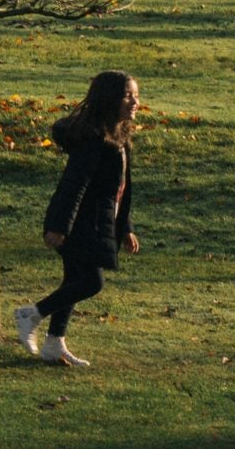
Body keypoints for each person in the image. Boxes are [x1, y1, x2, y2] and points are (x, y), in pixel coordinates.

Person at [13, 69, 140, 366]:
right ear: (109, 99)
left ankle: (54, 344)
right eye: (127, 96)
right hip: (82, 225)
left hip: (100, 222)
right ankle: (31, 314)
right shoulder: (94, 140)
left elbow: (122, 189)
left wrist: (126, 228)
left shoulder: (118, 136)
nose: (134, 102)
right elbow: (74, 185)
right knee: (91, 282)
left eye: (136, 95)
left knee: (74, 280)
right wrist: (60, 227)